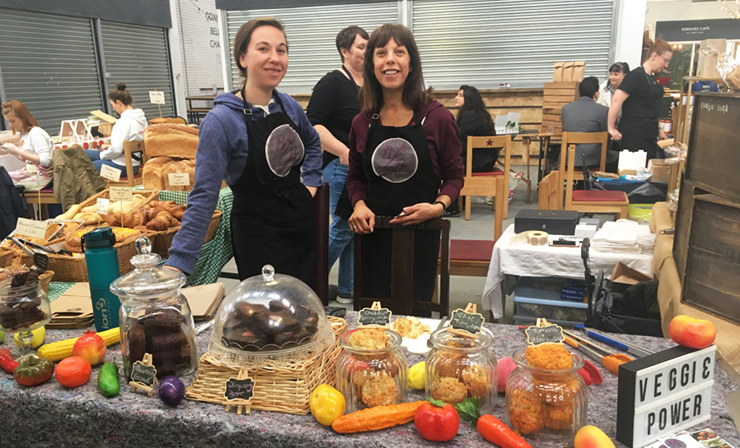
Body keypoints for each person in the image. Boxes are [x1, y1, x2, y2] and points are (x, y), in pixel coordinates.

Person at [165, 18, 322, 284]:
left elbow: (313, 142)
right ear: (243, 59)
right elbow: (204, 194)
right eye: (263, 49)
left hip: (300, 226)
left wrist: (311, 183)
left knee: (304, 308)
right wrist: (178, 262)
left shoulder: (289, 106)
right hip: (258, 235)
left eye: (281, 50)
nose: (274, 58)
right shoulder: (221, 120)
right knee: (264, 317)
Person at [345, 24, 464, 311]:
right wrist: (358, 205)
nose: (390, 60)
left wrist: (437, 207)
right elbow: (355, 177)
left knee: (417, 313)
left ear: (411, 62)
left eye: (399, 52)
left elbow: (454, 175)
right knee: (373, 317)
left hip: (422, 231)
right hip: (372, 235)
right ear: (371, 63)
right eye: (381, 52)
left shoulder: (437, 118)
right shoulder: (362, 122)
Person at [306, 25, 368, 303]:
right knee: (344, 226)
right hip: (340, 165)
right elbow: (312, 124)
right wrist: (343, 150)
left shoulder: (370, 84)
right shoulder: (332, 82)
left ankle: (346, 291)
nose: (367, 52)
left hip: (364, 169)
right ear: (345, 51)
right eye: (362, 47)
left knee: (354, 229)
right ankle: (309, 283)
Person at [608, 39, 672, 161]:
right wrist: (611, 128)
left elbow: (650, 107)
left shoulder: (652, 78)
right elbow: (616, 100)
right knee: (633, 171)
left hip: (649, 133)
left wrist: (659, 130)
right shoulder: (636, 75)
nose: (666, 65)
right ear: (654, 56)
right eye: (665, 60)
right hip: (634, 134)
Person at [444, 85, 496, 217]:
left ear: (469, 98)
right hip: (485, 159)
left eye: (460, 95)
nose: (456, 97)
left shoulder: (469, 116)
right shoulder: (481, 114)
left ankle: (451, 207)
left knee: (446, 165)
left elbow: (459, 144)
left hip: (478, 161)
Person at [85, 83, 147, 174]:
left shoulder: (123, 122)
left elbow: (116, 150)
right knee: (83, 153)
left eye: (112, 104)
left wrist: (103, 155)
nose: (113, 108)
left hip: (121, 166)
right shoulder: (142, 119)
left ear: (118, 102)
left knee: (82, 168)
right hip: (133, 164)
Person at [561, 76, 618, 172]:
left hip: (569, 159)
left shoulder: (565, 109)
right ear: (596, 94)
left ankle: (579, 184)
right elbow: (607, 138)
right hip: (594, 159)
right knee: (615, 156)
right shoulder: (604, 110)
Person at [0, 100, 53, 192]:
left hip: (43, 178)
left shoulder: (36, 133)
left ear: (23, 117)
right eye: (8, 121)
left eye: (12, 121)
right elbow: (29, 160)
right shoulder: (26, 135)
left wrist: (19, 152)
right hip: (33, 174)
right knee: (3, 178)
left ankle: (13, 207)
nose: (10, 125)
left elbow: (46, 161)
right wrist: (13, 152)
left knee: (3, 181)